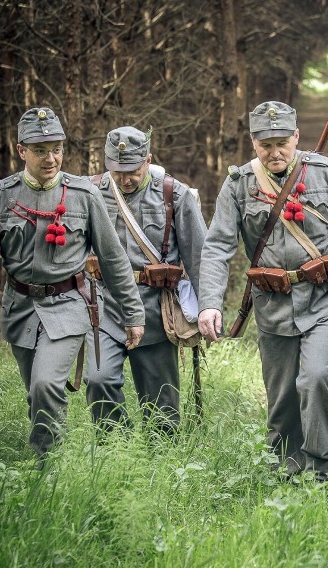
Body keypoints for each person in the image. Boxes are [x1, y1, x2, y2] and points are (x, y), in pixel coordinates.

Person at [0, 107, 145, 464]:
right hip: (20, 310)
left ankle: (46, 466)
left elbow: (113, 258)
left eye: (57, 148)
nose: (51, 158)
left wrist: (133, 314)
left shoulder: (82, 196)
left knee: (46, 384)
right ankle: (51, 451)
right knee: (36, 393)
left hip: (69, 306)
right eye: (40, 150)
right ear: (21, 150)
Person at [198, 101, 328, 482]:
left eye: (282, 142)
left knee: (315, 378)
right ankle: (283, 470)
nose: (275, 152)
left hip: (323, 299)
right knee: (281, 399)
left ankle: (318, 467)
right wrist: (210, 303)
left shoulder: (325, 174)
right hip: (271, 305)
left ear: (296, 137)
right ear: (253, 142)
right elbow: (217, 246)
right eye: (265, 144)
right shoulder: (239, 183)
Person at [84, 126, 205, 436]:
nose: (125, 178)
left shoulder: (173, 194)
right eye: (117, 170)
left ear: (148, 159)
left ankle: (161, 463)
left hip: (155, 309)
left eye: (133, 170)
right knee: (99, 380)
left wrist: (207, 308)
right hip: (105, 308)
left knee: (162, 408)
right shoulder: (90, 193)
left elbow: (199, 257)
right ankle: (115, 451)